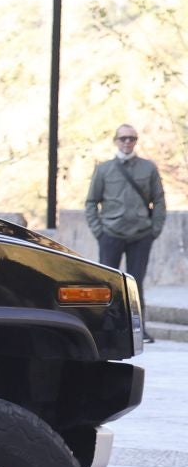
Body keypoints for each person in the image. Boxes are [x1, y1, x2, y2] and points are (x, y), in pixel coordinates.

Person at [86, 124, 166, 342]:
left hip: (140, 234)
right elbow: (92, 202)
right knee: (108, 282)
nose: (127, 142)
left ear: (136, 141)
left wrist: (154, 229)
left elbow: (158, 200)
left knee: (135, 282)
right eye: (123, 138)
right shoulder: (104, 169)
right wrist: (99, 231)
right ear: (116, 141)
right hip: (111, 233)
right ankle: (107, 327)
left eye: (132, 138)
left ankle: (139, 329)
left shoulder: (148, 168)